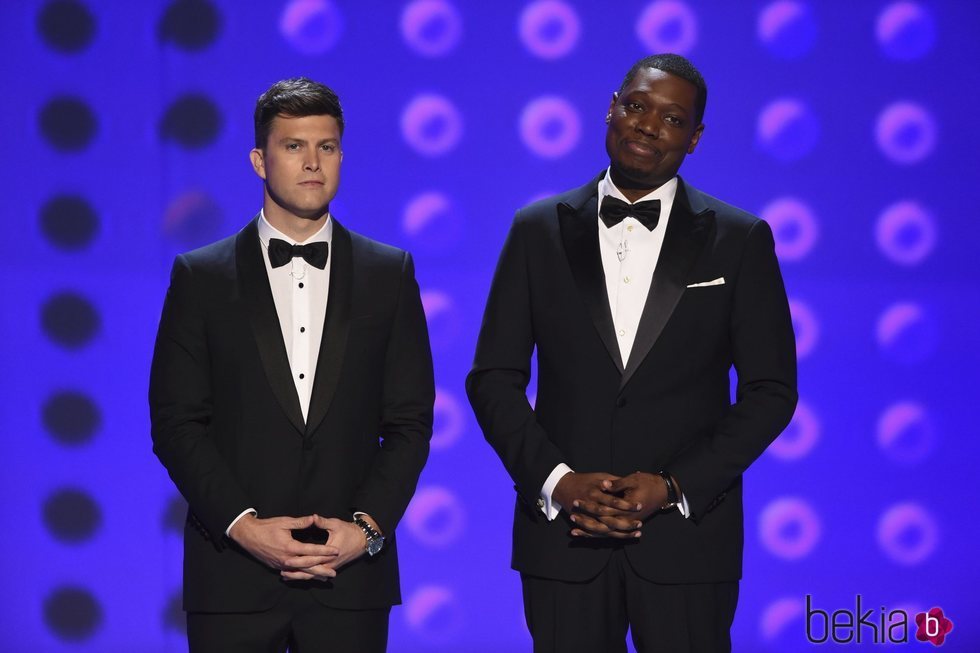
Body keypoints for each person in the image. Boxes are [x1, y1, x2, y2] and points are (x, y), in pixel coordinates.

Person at [466, 54, 797, 653]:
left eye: (672, 118)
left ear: (694, 139)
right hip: (564, 539)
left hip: (687, 542)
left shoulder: (740, 238)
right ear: (610, 109)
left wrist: (672, 485)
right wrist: (559, 481)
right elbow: (493, 378)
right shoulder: (536, 229)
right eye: (637, 106)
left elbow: (771, 392)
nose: (648, 126)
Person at [149, 77, 434, 652]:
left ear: (342, 157)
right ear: (259, 160)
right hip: (232, 575)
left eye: (325, 147)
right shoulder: (200, 277)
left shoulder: (389, 273)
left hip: (348, 577)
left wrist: (367, 531)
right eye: (293, 146)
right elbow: (177, 422)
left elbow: (409, 421)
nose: (312, 163)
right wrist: (243, 527)